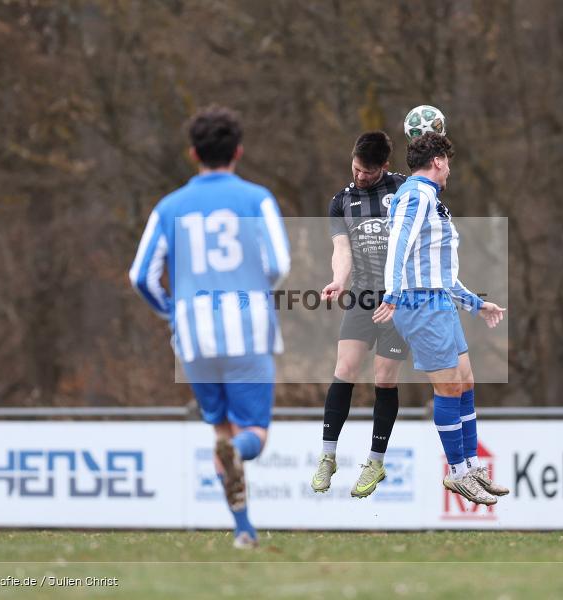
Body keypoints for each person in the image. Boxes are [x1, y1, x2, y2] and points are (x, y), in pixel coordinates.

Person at [129, 106, 290, 548]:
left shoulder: (168, 207)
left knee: (220, 429)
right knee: (251, 433)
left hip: (193, 335)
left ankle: (243, 528)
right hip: (248, 328)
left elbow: (140, 276)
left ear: (192, 153)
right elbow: (278, 263)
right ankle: (237, 458)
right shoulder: (256, 198)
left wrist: (170, 311)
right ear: (238, 151)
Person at [372, 132, 509, 505]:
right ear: (437, 162)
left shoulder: (430, 198)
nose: (450, 169)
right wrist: (394, 294)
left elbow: (443, 274)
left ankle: (470, 465)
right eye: (447, 162)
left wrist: (476, 304)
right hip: (419, 305)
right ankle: (458, 473)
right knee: (448, 387)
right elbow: (398, 244)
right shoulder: (416, 195)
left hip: (438, 301)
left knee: (465, 382)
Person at [310, 132, 410, 498]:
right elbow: (342, 249)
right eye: (356, 169)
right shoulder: (341, 202)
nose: (360, 176)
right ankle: (327, 456)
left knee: (384, 379)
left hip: (399, 300)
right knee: (345, 369)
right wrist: (338, 280)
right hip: (362, 296)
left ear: (384, 167)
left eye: (368, 172)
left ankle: (376, 461)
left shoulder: (402, 189)